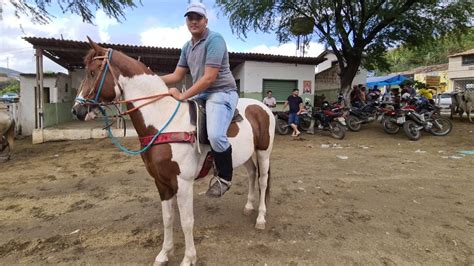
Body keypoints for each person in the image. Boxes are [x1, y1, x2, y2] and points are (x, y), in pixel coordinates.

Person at [160, 2, 238, 197]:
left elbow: (209, 78)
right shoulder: (187, 47)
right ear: (186, 21)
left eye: (198, 18)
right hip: (202, 94)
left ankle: (225, 177)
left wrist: (182, 95)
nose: (193, 21)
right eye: (190, 18)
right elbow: (177, 75)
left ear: (205, 20)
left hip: (221, 91)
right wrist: (148, 79)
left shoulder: (215, 40)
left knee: (215, 135)